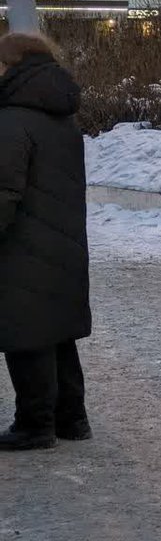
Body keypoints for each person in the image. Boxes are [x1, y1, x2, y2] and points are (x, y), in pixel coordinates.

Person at [0, 33, 92, 451]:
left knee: (24, 330)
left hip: (22, 241)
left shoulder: (12, 120)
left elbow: (4, 191)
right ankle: (71, 419)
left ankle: (34, 424)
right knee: (56, 329)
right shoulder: (60, 115)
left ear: (13, 65)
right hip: (62, 236)